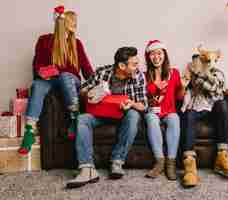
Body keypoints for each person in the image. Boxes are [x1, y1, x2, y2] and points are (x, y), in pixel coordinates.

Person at [66, 46, 147, 189]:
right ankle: (87, 169)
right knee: (82, 119)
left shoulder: (138, 76)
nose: (137, 67)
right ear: (122, 66)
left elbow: (143, 105)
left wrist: (132, 103)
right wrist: (89, 93)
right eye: (134, 64)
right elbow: (82, 90)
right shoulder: (102, 72)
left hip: (123, 115)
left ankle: (117, 161)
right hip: (101, 115)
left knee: (134, 114)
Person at [19, 6, 94, 155]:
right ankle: (30, 131)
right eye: (72, 21)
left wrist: (94, 84)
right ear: (61, 23)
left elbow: (87, 70)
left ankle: (74, 120)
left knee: (65, 75)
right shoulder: (44, 40)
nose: (75, 24)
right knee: (37, 86)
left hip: (70, 80)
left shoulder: (76, 43)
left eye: (75, 22)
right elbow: (37, 65)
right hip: (49, 79)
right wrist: (43, 72)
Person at [181, 46, 228, 187]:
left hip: (214, 108)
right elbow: (187, 88)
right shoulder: (193, 72)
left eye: (211, 61)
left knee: (222, 103)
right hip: (197, 107)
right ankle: (189, 165)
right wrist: (187, 80)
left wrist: (203, 77)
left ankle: (222, 156)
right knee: (188, 114)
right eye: (205, 61)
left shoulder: (219, 73)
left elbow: (217, 91)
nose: (208, 64)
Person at [144, 40, 185, 180]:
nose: (156, 57)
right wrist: (156, 88)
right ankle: (159, 162)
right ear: (148, 57)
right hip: (153, 111)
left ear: (164, 55)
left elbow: (179, 96)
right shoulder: (144, 76)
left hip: (169, 111)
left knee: (174, 118)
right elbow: (145, 99)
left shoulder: (174, 73)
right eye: (152, 54)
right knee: (150, 117)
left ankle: (170, 163)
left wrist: (183, 87)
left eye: (159, 53)